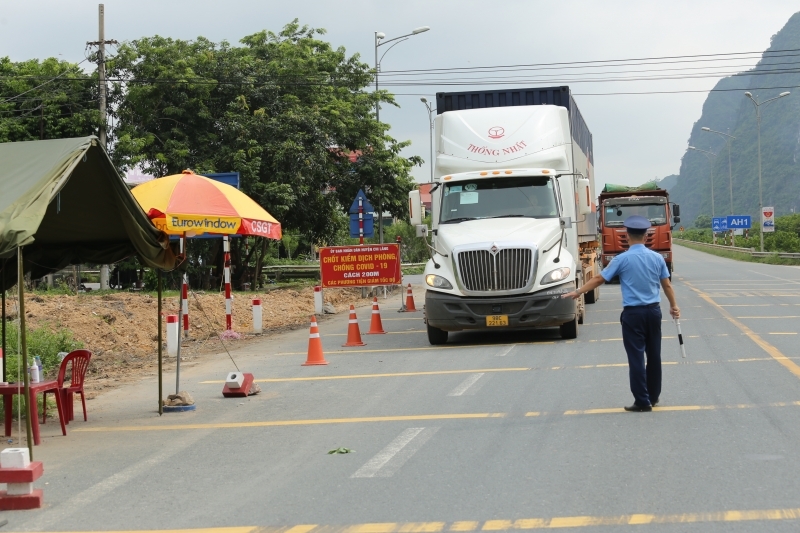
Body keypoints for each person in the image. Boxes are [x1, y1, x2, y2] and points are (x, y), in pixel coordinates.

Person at [562, 215, 680, 412]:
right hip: (653, 312)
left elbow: (599, 278)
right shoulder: (657, 258)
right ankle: (654, 396)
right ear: (645, 235)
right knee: (654, 355)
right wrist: (674, 306)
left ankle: (642, 401)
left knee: (636, 357)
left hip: (633, 314)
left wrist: (578, 291)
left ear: (627, 236)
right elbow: (666, 284)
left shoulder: (622, 259)